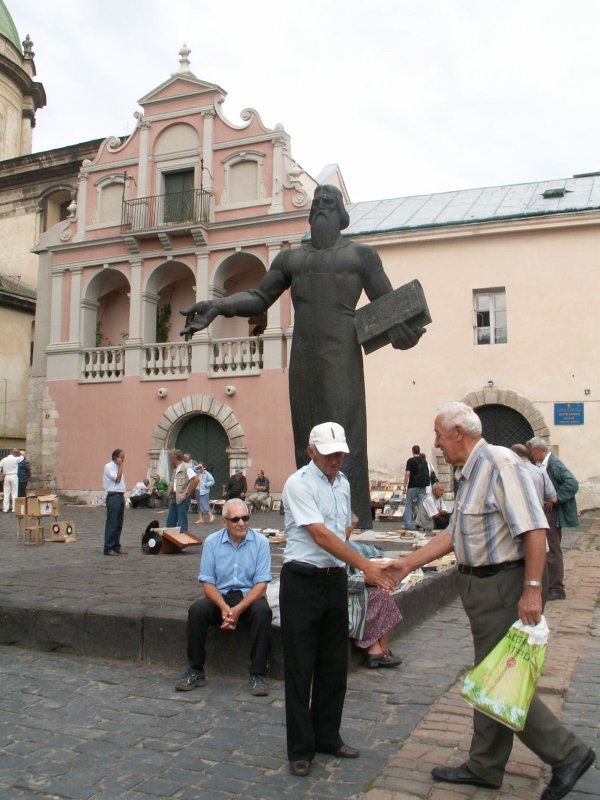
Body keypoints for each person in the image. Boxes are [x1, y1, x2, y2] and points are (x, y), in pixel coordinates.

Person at [180, 184, 425, 529]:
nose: (322, 206)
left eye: (330, 202)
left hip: (342, 354)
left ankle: (353, 525)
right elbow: (259, 297)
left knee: (345, 438)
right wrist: (219, 305)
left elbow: (390, 308)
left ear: (341, 214)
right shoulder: (291, 259)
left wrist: (405, 335)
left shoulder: (361, 256)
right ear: (310, 214)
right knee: (307, 440)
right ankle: (308, 524)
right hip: (304, 354)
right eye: (317, 202)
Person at [395, 402, 595, 798]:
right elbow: (453, 534)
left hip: (503, 585)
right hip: (480, 588)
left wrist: (533, 589)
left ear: (458, 433)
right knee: (490, 673)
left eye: (438, 434)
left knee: (501, 682)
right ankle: (485, 765)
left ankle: (568, 754)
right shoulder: (469, 472)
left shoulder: (501, 464)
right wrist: (406, 564)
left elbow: (534, 530)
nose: (436, 442)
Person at [280, 421, 402, 777]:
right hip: (302, 580)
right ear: (311, 451)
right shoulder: (298, 483)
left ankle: (327, 736)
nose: (335, 460)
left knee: (334, 665)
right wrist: (365, 565)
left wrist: (350, 559)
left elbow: (343, 528)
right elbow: (320, 534)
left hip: (334, 580)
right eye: (329, 454)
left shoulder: (344, 483)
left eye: (340, 454)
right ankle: (300, 748)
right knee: (300, 667)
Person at [175, 499, 272, 696]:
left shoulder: (261, 543)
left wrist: (237, 610)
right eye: (235, 519)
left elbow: (261, 585)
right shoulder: (212, 542)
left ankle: (258, 673)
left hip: (248, 598)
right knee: (197, 611)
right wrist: (224, 607)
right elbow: (207, 583)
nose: (241, 523)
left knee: (263, 612)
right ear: (224, 521)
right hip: (221, 597)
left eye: (245, 518)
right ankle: (195, 669)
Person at [527, 437, 578, 602]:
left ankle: (557, 588)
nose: (531, 455)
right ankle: (551, 585)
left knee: (553, 550)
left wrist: (555, 499)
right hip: (547, 513)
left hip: (552, 514)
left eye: (532, 451)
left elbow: (572, 483)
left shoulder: (554, 463)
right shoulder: (546, 464)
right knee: (548, 549)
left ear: (537, 449)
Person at [346, 523, 403, 668]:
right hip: (342, 596)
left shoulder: (346, 545)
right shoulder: (332, 548)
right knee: (379, 597)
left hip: (351, 589)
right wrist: (365, 579)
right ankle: (379, 651)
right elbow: (340, 581)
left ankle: (380, 650)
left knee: (382, 593)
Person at [166, 449, 199, 533]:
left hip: (183, 498)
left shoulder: (186, 468)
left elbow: (196, 480)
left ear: (174, 458)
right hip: (174, 496)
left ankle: (183, 537)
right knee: (170, 521)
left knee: (182, 522)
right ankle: (170, 537)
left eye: (171, 457)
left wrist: (188, 492)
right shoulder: (175, 469)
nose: (170, 460)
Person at [102, 448, 127, 556]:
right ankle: (108, 548)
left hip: (120, 496)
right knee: (112, 524)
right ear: (115, 457)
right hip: (113, 496)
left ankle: (116, 546)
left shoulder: (118, 467)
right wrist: (120, 466)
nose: (123, 460)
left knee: (119, 524)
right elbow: (117, 479)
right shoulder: (109, 467)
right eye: (122, 457)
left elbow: (120, 484)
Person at [402, 445, 429, 530]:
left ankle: (408, 525)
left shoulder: (410, 461)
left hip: (412, 486)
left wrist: (404, 486)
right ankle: (420, 524)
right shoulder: (424, 461)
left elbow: (407, 474)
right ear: (419, 451)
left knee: (408, 505)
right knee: (421, 506)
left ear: (412, 451)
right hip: (422, 486)